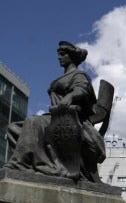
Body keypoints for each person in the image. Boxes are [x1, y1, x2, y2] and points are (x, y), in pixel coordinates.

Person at [5, 41, 108, 182]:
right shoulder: (63, 77)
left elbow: (81, 89)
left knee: (33, 121)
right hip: (54, 118)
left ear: (71, 56)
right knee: (13, 128)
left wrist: (70, 96)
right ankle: (37, 164)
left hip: (72, 120)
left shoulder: (79, 75)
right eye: (59, 54)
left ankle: (23, 162)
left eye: (63, 54)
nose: (59, 57)